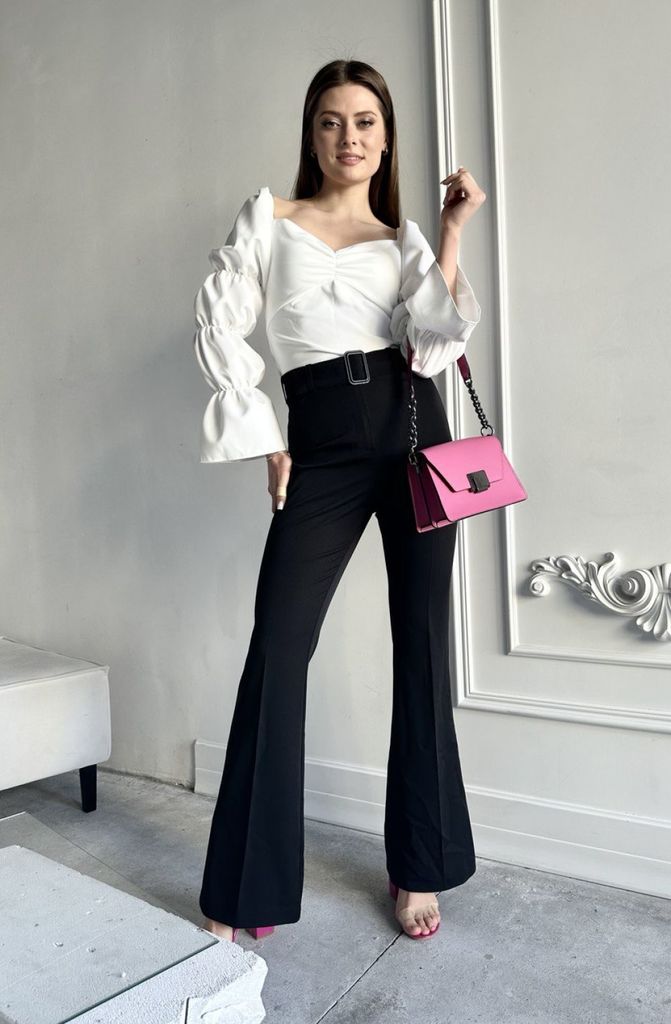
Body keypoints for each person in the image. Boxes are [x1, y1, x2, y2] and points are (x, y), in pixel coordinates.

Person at [192, 58, 486, 943]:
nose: (347, 136)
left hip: (412, 428)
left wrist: (449, 230)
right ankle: (244, 889)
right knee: (278, 646)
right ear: (310, 133)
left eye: (364, 121)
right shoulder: (269, 217)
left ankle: (419, 864)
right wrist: (266, 439)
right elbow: (219, 319)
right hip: (318, 440)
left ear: (385, 139)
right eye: (330, 120)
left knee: (422, 646)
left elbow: (431, 345)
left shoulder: (402, 239)